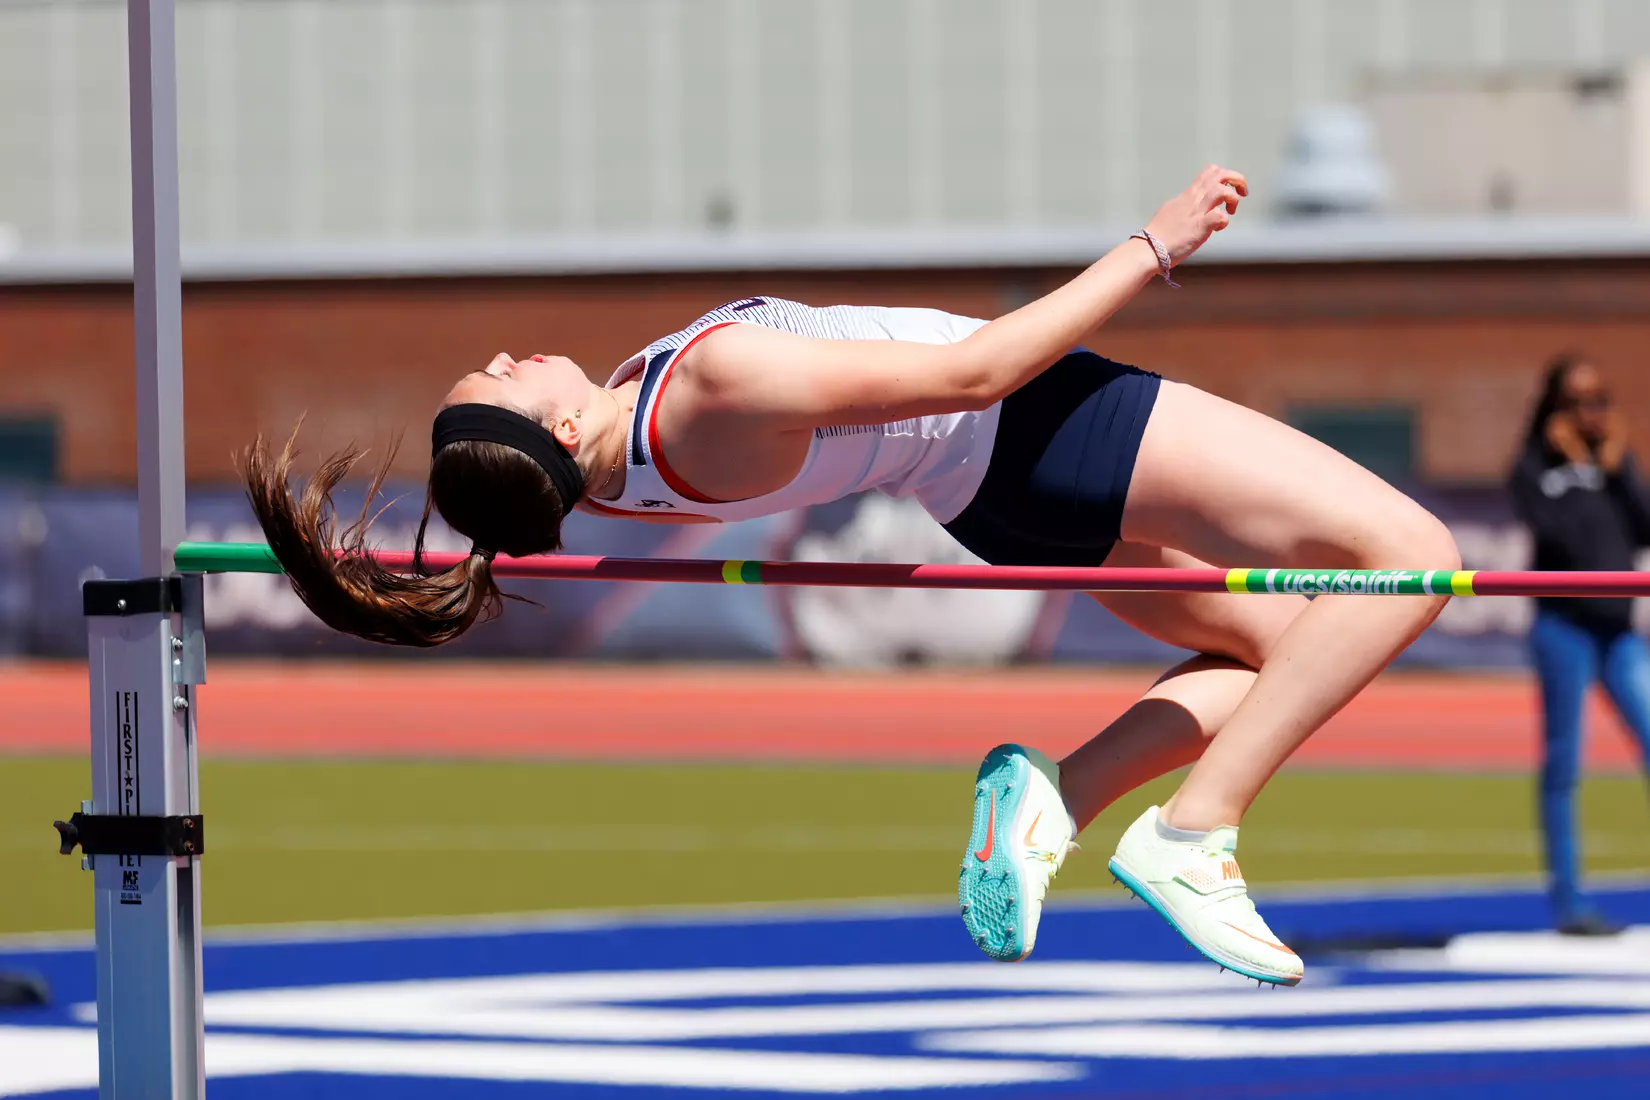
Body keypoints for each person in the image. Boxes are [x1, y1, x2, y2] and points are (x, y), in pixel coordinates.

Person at [246, 165, 1459, 987]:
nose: (507, 351)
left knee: (1281, 647)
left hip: (986, 499)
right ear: (556, 436)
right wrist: (1156, 243)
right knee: (1417, 558)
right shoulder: (708, 388)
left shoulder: (607, 473)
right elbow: (980, 371)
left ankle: (1058, 796)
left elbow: (522, 497)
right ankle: (1198, 826)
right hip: (1037, 429)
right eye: (502, 377)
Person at [1509, 356, 1650, 936]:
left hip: (1619, 633)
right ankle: (1570, 903)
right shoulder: (1532, 467)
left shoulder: (1618, 465)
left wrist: (1616, 471)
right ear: (1554, 407)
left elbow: (1644, 530)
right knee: (1564, 764)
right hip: (1563, 628)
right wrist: (1570, 466)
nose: (1591, 411)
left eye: (1600, 398)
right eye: (1578, 400)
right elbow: (1560, 537)